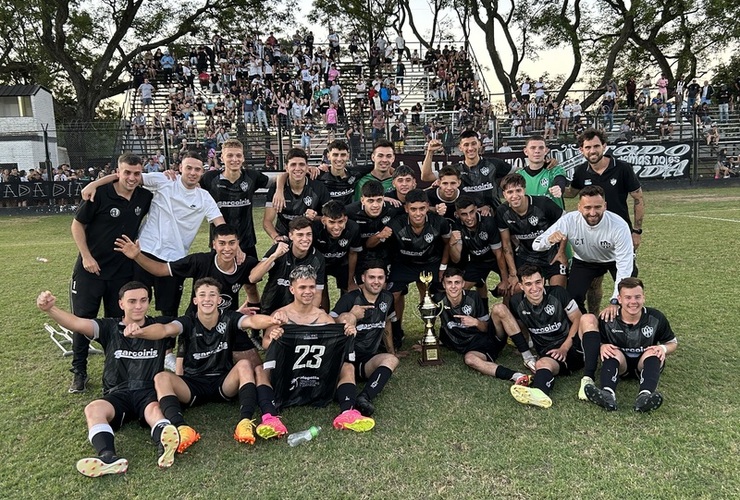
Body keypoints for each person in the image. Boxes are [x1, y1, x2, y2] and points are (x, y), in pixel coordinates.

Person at [122, 278, 288, 451]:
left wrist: (273, 320)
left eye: (212, 295)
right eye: (202, 295)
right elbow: (164, 330)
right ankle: (182, 428)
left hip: (223, 383)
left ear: (219, 300)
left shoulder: (230, 318)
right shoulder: (186, 322)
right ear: (195, 300)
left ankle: (244, 422)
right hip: (193, 385)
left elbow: (252, 321)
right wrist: (141, 332)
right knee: (162, 377)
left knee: (244, 364)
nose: (207, 299)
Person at [36, 283, 179, 477]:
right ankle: (108, 457)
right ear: (121, 304)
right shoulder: (108, 327)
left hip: (148, 392)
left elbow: (179, 326)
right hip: (117, 393)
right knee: (93, 409)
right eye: (132, 301)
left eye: (143, 300)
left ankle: (166, 445)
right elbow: (77, 323)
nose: (138, 306)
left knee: (155, 411)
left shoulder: (159, 326)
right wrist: (50, 309)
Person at [83, 152, 227, 318]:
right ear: (180, 168)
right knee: (134, 303)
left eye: (197, 169)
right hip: (143, 252)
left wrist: (230, 246)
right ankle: (131, 341)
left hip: (174, 260)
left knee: (169, 310)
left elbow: (220, 224)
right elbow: (126, 176)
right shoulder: (164, 180)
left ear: (202, 172)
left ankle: (167, 344)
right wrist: (94, 184)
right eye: (188, 168)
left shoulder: (204, 197)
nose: (193, 173)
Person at [67, 153, 153, 393]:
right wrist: (86, 256)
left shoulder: (144, 197)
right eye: (127, 172)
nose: (132, 178)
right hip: (90, 270)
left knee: (118, 322)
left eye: (137, 173)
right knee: (83, 322)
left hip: (122, 273)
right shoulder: (99, 194)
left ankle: (117, 370)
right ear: (118, 172)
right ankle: (79, 372)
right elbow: (77, 225)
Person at [263, 266, 375, 431]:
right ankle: (269, 417)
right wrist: (273, 337)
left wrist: (347, 333)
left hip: (318, 372)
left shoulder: (324, 318)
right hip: (288, 373)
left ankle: (348, 412)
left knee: (347, 367)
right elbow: (266, 344)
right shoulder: (280, 315)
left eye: (311, 287)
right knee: (260, 370)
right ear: (292, 289)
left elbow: (335, 347)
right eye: (302, 287)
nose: (308, 291)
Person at [567, 128, 644, 312]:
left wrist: (636, 231)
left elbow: (638, 198)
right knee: (593, 284)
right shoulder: (581, 172)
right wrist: (553, 178)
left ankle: (629, 322)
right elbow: (571, 193)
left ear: (604, 146)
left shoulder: (622, 168)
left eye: (596, 146)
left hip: (620, 237)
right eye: (588, 147)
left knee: (628, 284)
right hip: (593, 238)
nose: (592, 151)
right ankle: (593, 318)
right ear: (581, 150)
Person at [533, 185, 633, 316]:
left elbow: (624, 266)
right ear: (579, 207)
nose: (592, 213)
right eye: (587, 207)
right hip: (585, 261)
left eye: (597, 207)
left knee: (629, 296)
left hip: (614, 260)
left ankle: (619, 329)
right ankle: (587, 325)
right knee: (572, 299)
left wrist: (615, 300)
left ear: (605, 206)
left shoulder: (619, 225)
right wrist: (549, 240)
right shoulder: (569, 220)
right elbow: (536, 244)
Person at [580, 278, 678, 412]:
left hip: (643, 363)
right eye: (628, 297)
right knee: (611, 351)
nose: (633, 302)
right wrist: (602, 346)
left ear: (643, 297)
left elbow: (672, 343)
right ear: (619, 299)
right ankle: (607, 395)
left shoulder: (656, 317)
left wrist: (662, 348)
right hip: (620, 364)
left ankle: (645, 397)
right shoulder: (608, 318)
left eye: (637, 297)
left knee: (654, 353)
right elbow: (596, 341)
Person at [200, 139, 273, 311]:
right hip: (219, 244)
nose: (234, 159)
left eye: (238, 155)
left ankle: (253, 332)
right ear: (222, 158)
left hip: (247, 242)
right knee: (218, 287)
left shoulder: (252, 177)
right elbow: (188, 184)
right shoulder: (210, 178)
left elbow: (279, 179)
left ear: (243, 158)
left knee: (251, 286)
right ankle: (222, 326)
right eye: (230, 155)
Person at [499, 265, 583, 408]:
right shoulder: (516, 302)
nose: (534, 288)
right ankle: (538, 390)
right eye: (528, 284)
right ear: (521, 286)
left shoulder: (558, 293)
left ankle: (539, 391)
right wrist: (527, 348)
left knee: (542, 364)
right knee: (543, 363)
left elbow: (578, 319)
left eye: (538, 282)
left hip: (571, 348)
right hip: (546, 352)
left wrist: (564, 348)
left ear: (544, 281)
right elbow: (520, 325)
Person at [433, 268, 530, 385]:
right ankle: (516, 376)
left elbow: (486, 328)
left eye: (457, 282)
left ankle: (528, 357)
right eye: (449, 283)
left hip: (487, 339)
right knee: (469, 359)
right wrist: (428, 345)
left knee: (499, 308)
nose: (453, 286)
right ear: (444, 285)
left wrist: (476, 323)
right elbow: (429, 319)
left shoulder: (473, 297)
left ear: (463, 284)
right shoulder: (438, 300)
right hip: (469, 348)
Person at [331, 261, 399, 417]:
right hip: (344, 361)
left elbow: (386, 324)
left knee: (391, 360)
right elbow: (329, 322)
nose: (376, 282)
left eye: (380, 278)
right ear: (363, 278)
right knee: (346, 316)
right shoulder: (350, 299)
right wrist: (352, 315)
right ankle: (339, 389)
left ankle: (365, 397)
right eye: (372, 277)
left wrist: (392, 351)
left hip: (367, 361)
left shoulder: (387, 298)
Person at [386, 189, 451, 348]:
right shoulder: (396, 223)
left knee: (430, 295)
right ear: (406, 208)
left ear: (428, 207)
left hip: (429, 262)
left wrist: (442, 266)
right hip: (403, 263)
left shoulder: (439, 222)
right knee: (392, 295)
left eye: (422, 209)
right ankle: (396, 332)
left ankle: (430, 332)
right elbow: (385, 246)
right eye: (413, 209)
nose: (418, 213)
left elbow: (448, 243)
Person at [496, 173, 567, 294]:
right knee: (514, 291)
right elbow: (506, 244)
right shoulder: (502, 211)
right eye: (510, 192)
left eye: (518, 190)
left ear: (524, 190)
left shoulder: (543, 203)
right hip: (526, 258)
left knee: (559, 293)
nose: (515, 196)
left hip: (551, 255)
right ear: (504, 194)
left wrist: (561, 252)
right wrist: (513, 273)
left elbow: (566, 223)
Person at [421, 132, 515, 215]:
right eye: (466, 145)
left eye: (473, 144)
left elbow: (519, 172)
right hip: (466, 219)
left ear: (479, 144)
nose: (470, 148)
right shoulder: (454, 170)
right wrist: (430, 151)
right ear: (460, 147)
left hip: (493, 217)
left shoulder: (494, 164)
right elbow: (426, 176)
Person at [251, 217, 326, 315]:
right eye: (300, 235)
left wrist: (306, 317)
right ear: (290, 236)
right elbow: (253, 278)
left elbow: (317, 294)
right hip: (272, 306)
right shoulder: (280, 249)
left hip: (299, 312)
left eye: (309, 234)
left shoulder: (317, 258)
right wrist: (274, 256)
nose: (305, 239)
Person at [449, 196, 509, 304]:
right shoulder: (457, 225)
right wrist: (452, 244)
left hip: (495, 259)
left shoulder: (488, 223)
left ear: (476, 209)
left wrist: (504, 280)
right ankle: (483, 314)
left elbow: (498, 253)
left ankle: (507, 313)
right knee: (462, 289)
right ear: (457, 214)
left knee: (509, 286)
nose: (469, 217)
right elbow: (456, 258)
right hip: (477, 261)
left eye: (471, 212)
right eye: (464, 214)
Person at [263, 148, 331, 241]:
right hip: (284, 237)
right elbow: (267, 221)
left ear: (307, 167)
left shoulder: (318, 187)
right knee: (269, 256)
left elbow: (329, 217)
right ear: (286, 167)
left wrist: (315, 217)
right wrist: (276, 237)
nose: (298, 168)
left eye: (301, 164)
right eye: (293, 164)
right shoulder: (276, 188)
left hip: (308, 239)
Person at [313, 201, 363, 309]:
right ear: (323, 220)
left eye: (340, 222)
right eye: (331, 222)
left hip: (342, 262)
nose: (336, 227)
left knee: (348, 291)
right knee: (321, 292)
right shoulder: (314, 229)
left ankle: (343, 320)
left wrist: (350, 280)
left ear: (345, 219)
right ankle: (325, 321)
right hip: (320, 264)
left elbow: (353, 253)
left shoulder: (353, 228)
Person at [520, 135, 567, 209]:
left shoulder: (555, 170)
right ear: (526, 151)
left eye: (541, 148)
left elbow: (560, 180)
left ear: (546, 151)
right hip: (531, 219)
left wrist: (559, 188)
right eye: (533, 148)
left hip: (555, 219)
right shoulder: (519, 175)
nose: (537, 151)